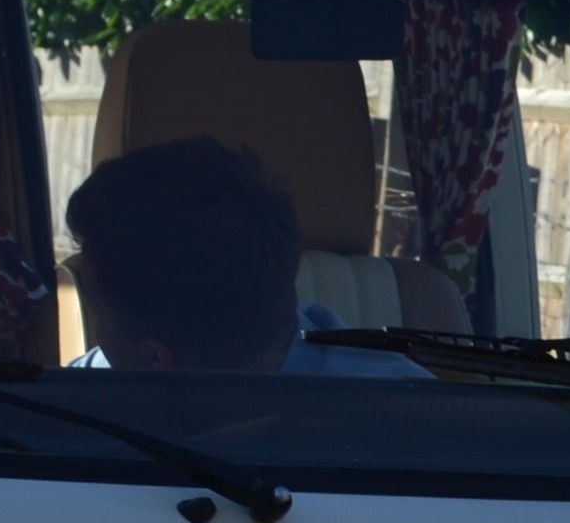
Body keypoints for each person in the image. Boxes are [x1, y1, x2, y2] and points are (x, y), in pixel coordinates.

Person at [67, 136, 395, 376]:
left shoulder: (76, 424)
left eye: (98, 317)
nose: (98, 344)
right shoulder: (417, 421)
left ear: (156, 359)